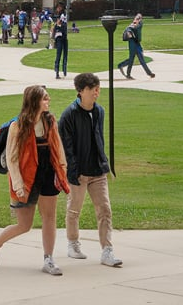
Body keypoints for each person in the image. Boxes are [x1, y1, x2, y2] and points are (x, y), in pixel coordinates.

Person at [0, 84, 71, 274]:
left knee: (50, 218)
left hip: (48, 174)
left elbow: (58, 149)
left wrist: (62, 172)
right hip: (26, 178)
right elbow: (12, 158)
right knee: (24, 225)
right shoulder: (18, 126)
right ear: (34, 101)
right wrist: (18, 185)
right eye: (45, 98)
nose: (48, 101)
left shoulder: (50, 121)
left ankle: (48, 259)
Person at [59, 72, 122, 267]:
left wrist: (104, 163)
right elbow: (67, 147)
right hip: (78, 172)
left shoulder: (99, 111)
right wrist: (73, 172)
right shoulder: (69, 115)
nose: (97, 92)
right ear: (81, 91)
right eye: (93, 89)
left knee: (105, 209)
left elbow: (98, 139)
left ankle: (107, 250)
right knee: (74, 209)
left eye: (98, 88)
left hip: (98, 170)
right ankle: (72, 243)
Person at [117, 14, 155, 79]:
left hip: (137, 43)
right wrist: (129, 33)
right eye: (137, 19)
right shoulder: (133, 25)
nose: (138, 20)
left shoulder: (140, 24)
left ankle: (149, 73)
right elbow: (129, 29)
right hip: (132, 43)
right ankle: (123, 68)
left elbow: (136, 27)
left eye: (139, 19)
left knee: (141, 59)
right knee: (131, 60)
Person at [52, 3, 69, 79]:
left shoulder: (63, 15)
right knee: (58, 55)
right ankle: (57, 71)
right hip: (59, 39)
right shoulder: (56, 17)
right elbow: (55, 28)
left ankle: (64, 71)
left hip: (64, 38)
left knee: (65, 55)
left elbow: (63, 26)